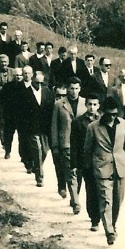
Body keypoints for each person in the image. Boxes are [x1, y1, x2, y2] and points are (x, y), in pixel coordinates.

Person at [83, 96, 125, 245]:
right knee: (106, 200)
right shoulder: (93, 127)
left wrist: (119, 158)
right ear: (103, 112)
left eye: (115, 114)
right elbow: (87, 149)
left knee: (117, 200)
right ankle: (109, 231)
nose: (112, 117)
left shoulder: (124, 125)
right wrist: (91, 167)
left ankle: (113, 224)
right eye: (109, 114)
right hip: (102, 169)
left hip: (119, 168)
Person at [50, 77, 87, 213]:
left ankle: (74, 196)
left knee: (80, 173)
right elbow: (54, 126)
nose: (74, 91)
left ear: (80, 89)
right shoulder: (59, 104)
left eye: (77, 88)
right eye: (71, 88)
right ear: (67, 89)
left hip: (82, 144)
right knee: (71, 172)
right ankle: (76, 202)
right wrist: (55, 146)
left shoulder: (85, 103)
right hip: (66, 144)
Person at [17, 67, 54, 187]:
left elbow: (51, 110)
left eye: (41, 83)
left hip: (44, 128)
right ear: (32, 80)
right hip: (31, 129)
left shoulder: (48, 92)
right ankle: (39, 177)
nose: (39, 85)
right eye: (36, 82)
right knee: (37, 150)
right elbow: (20, 113)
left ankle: (35, 165)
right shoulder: (24, 93)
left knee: (44, 150)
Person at [73, 95, 101, 231]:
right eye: (90, 104)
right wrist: (75, 163)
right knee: (91, 191)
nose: (92, 107)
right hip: (87, 163)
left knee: (103, 191)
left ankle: (104, 217)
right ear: (86, 105)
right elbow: (75, 144)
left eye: (95, 105)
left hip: (102, 162)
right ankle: (94, 219)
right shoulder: (78, 122)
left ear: (99, 106)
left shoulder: (104, 121)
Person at [0, 54, 14, 155]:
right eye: (2, 62)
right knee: (1, 121)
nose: (4, 64)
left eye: (5, 62)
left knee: (10, 123)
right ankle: (4, 142)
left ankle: (9, 141)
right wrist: (3, 89)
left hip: (11, 102)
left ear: (8, 62)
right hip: (0, 101)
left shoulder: (13, 72)